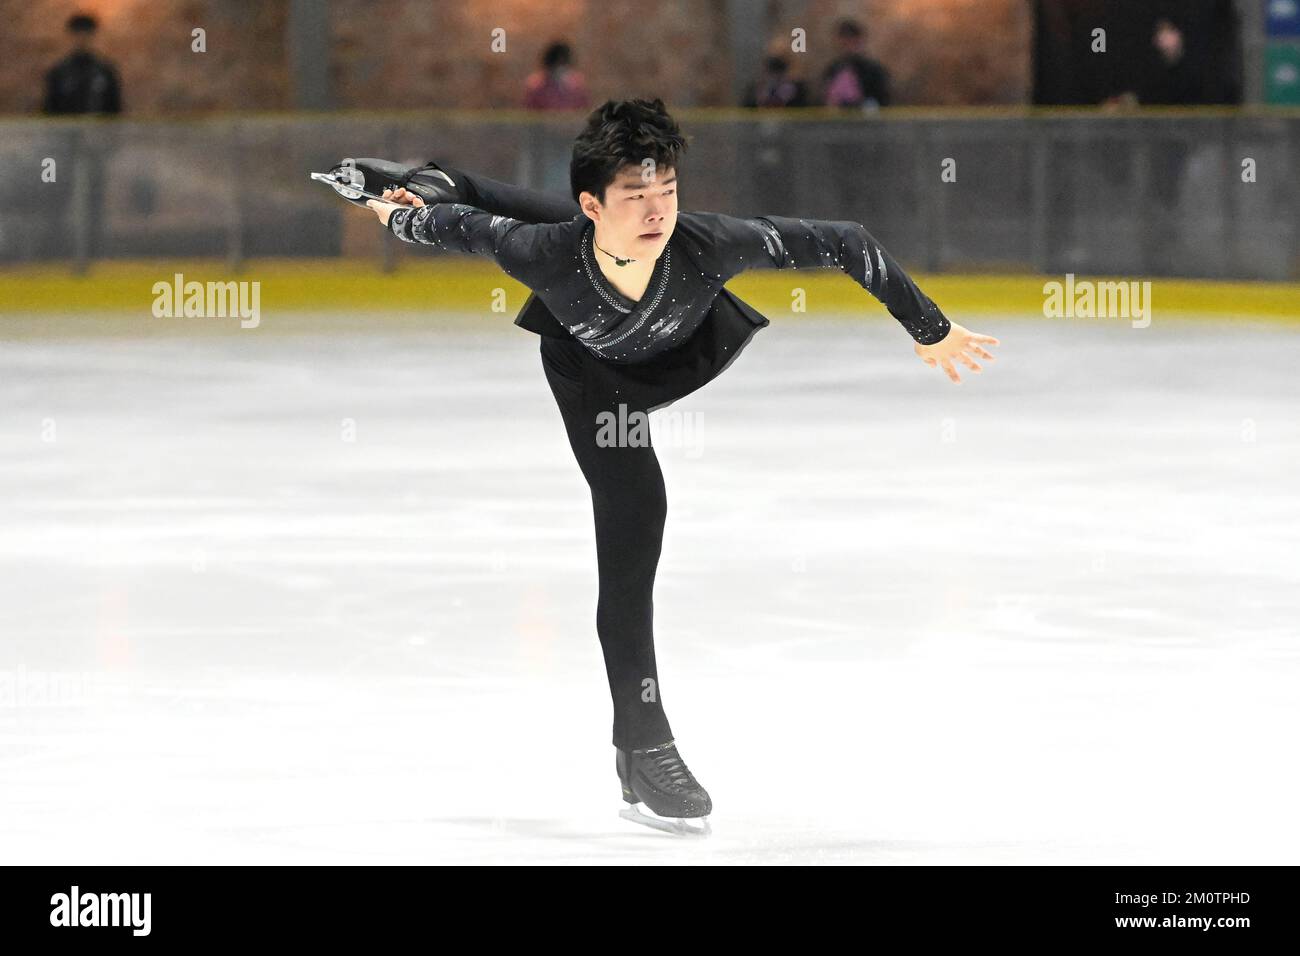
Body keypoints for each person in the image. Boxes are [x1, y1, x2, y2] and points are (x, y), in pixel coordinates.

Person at [355, 98, 997, 835]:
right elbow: (450, 230)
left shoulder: (707, 243)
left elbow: (847, 242)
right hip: (596, 381)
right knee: (636, 525)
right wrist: (407, 207)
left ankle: (443, 176)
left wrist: (929, 327)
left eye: (668, 193)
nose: (657, 211)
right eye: (637, 197)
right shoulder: (539, 252)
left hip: (675, 349)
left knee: (548, 218)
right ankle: (644, 747)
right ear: (598, 202)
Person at [43, 13, 122, 115]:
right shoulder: (59, 72)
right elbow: (50, 108)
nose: (82, 39)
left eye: (86, 34)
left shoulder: (105, 71)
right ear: (71, 37)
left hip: (98, 129)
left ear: (93, 37)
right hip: (66, 129)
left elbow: (115, 109)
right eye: (78, 35)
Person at [820, 18, 890, 109]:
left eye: (852, 40)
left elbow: (882, 100)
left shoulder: (873, 71)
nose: (848, 45)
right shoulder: (833, 69)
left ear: (860, 41)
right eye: (844, 41)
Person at [522, 41, 590, 111]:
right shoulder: (536, 85)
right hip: (543, 121)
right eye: (557, 64)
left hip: (571, 121)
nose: (560, 68)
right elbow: (529, 112)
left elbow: (583, 110)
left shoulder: (577, 85)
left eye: (563, 63)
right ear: (549, 64)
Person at [742, 55, 809, 108]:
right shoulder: (756, 90)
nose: (774, 78)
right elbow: (747, 108)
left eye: (778, 75)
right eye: (770, 74)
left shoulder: (797, 90)